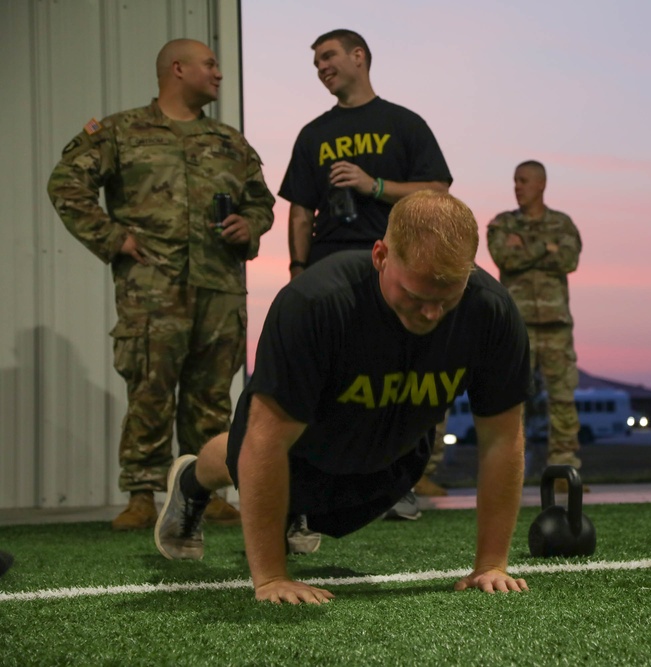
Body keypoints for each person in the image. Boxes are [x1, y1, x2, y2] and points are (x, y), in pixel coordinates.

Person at [154, 191, 531, 604]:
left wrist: (491, 564)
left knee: (320, 485)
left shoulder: (492, 312)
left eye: (446, 298)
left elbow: (501, 439)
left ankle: (294, 507)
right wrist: (270, 578)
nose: (430, 314)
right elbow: (266, 442)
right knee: (244, 451)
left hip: (392, 452)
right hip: (298, 443)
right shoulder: (316, 303)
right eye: (417, 296)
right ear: (380, 255)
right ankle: (192, 481)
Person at [47, 39, 275, 530]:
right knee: (151, 389)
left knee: (212, 395)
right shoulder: (121, 132)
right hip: (151, 288)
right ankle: (141, 496)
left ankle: (208, 490)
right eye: (209, 64)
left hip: (219, 288)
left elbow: (262, 204)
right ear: (178, 69)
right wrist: (112, 238)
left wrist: (250, 225)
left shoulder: (229, 141)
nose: (218, 72)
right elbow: (66, 183)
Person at [279, 29, 453, 508]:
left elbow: (438, 192)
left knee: (400, 372)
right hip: (329, 268)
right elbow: (298, 211)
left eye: (329, 56)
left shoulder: (403, 123)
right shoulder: (314, 133)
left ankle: (401, 481)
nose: (321, 67)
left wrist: (372, 184)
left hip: (394, 268)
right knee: (324, 378)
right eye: (316, 62)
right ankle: (308, 490)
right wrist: (298, 269)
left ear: (360, 57)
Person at [487, 161, 583, 485]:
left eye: (524, 181)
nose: (517, 186)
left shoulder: (563, 223)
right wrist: (545, 247)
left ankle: (564, 469)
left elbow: (569, 259)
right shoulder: (502, 224)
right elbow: (505, 258)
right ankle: (510, 471)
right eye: (515, 180)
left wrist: (527, 247)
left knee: (563, 398)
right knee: (512, 400)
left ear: (541, 184)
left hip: (556, 325)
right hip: (517, 327)